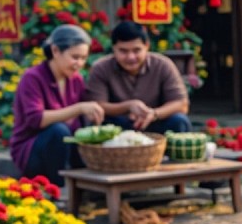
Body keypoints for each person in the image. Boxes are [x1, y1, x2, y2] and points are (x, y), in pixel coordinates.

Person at [10, 24, 103, 188]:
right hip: (31, 149)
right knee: (58, 131)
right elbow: (36, 119)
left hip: (65, 147)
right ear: (55, 51)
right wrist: (79, 108)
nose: (79, 63)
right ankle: (57, 189)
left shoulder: (76, 79)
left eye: (83, 58)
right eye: (75, 57)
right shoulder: (32, 77)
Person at [83, 21, 191, 133]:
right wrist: (128, 106)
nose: (130, 57)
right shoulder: (100, 68)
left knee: (179, 120)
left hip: (154, 121)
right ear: (114, 48)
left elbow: (181, 104)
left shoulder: (163, 65)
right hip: (117, 125)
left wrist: (154, 113)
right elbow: (96, 105)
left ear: (147, 46)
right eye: (123, 51)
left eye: (136, 50)